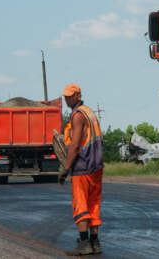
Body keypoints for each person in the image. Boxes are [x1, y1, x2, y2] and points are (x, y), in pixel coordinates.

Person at [59, 83, 104, 256]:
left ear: (78, 96)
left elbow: (76, 144)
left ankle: (84, 243)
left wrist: (66, 168)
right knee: (93, 203)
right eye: (65, 96)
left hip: (83, 165)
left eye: (70, 96)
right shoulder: (89, 112)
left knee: (80, 204)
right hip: (96, 165)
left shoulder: (78, 115)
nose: (67, 99)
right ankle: (95, 242)